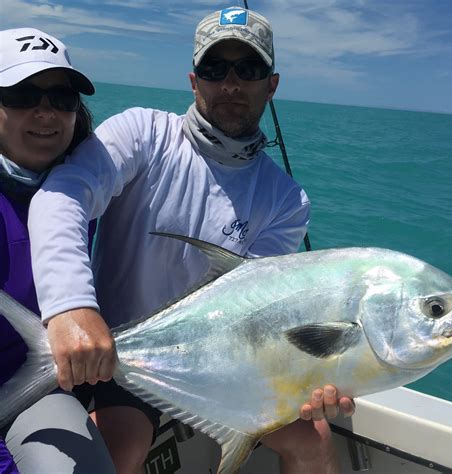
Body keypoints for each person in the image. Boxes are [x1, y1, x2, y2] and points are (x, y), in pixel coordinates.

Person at [28, 7, 354, 474]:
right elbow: (63, 195)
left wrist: (312, 374)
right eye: (215, 68)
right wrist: (70, 307)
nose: (232, 83)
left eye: (250, 69)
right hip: (118, 357)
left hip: (228, 366)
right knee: (118, 453)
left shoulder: (286, 200)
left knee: (314, 439)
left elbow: (259, 310)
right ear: (193, 79)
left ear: (272, 84)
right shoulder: (142, 134)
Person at [0, 28, 116, 474]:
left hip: (48, 390)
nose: (45, 111)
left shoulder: (94, 190)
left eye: (61, 97)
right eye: (23, 94)